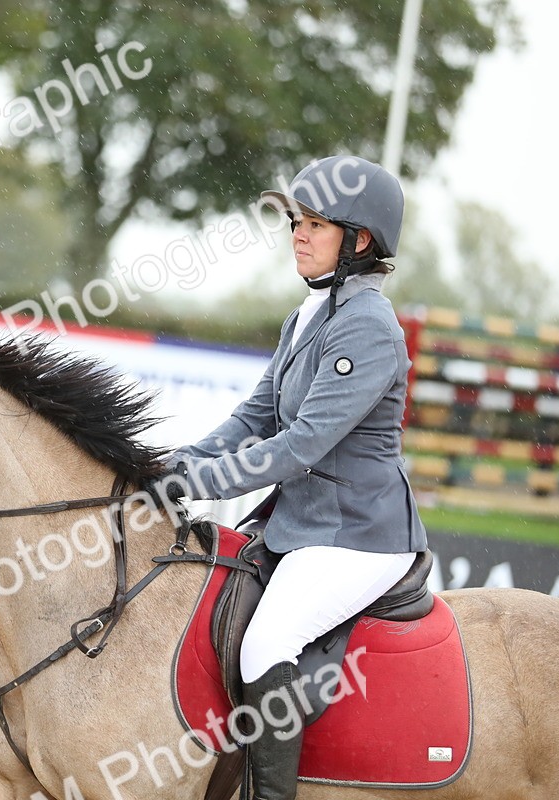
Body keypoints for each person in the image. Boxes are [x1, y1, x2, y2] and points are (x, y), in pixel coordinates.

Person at [166, 155, 427, 800]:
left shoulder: (370, 327)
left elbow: (301, 446)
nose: (297, 236)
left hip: (357, 537)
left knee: (266, 643)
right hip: (300, 526)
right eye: (294, 223)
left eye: (314, 224)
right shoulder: (308, 315)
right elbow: (254, 417)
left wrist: (197, 485)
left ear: (359, 241)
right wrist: (175, 462)